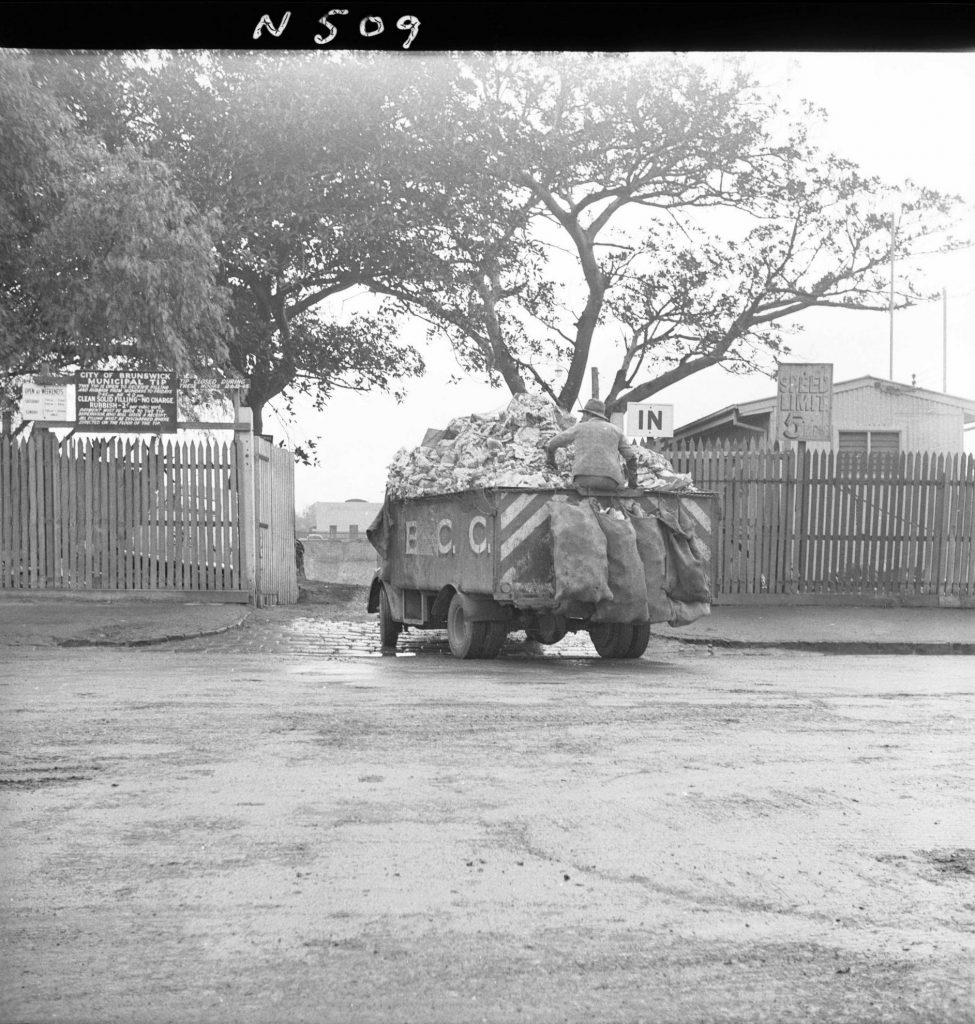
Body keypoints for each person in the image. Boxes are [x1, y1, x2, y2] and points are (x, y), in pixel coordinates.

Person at [545, 399, 639, 492]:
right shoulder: (616, 431)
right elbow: (631, 458)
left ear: (589, 414)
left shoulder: (579, 427)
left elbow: (552, 444)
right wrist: (632, 484)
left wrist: (551, 461)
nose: (583, 417)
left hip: (582, 480)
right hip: (611, 481)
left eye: (584, 414)